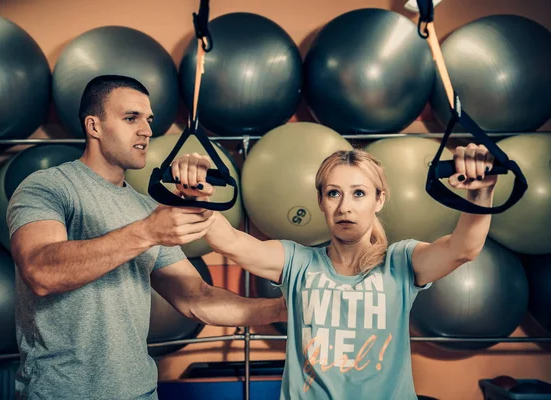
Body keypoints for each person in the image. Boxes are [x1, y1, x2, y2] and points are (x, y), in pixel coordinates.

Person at [7, 75, 286, 400]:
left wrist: (282, 309)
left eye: (149, 120)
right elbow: (40, 271)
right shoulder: (49, 188)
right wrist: (147, 232)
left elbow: (196, 297)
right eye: (131, 118)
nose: (147, 130)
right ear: (93, 126)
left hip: (140, 393)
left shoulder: (145, 207)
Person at [171, 143, 497, 399]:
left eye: (359, 193)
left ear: (379, 200)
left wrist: (480, 192)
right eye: (333, 193)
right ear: (321, 201)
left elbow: (464, 248)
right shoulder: (297, 261)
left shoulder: (401, 262)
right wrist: (195, 196)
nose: (345, 207)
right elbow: (230, 242)